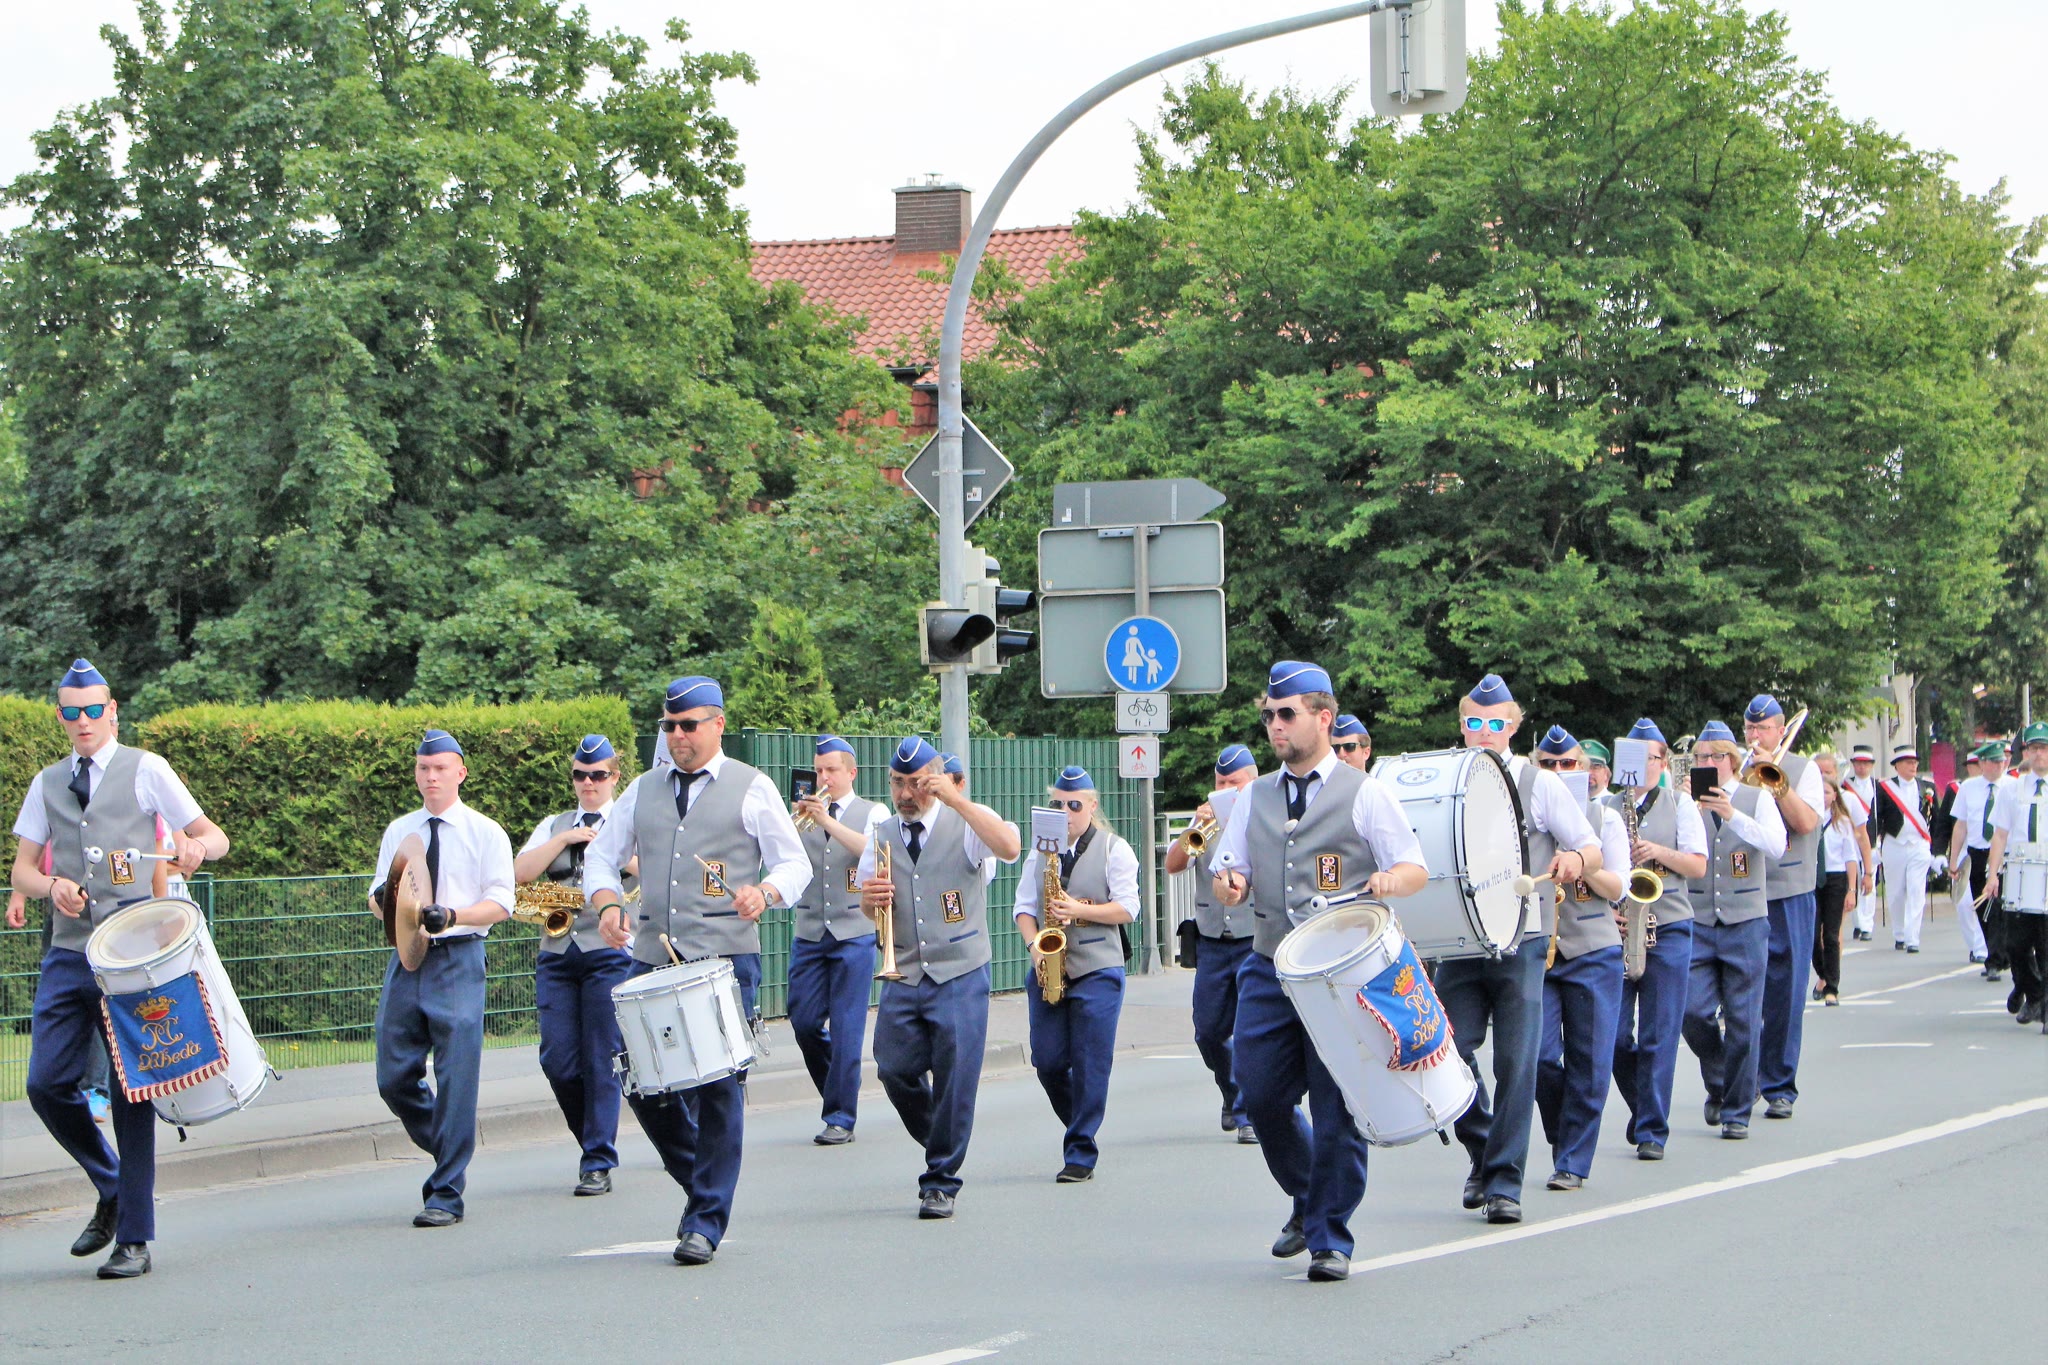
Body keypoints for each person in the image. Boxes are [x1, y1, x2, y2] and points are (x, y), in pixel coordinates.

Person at [11, 659, 230, 1279]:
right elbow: (22, 868)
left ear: (111, 711)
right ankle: (111, 1184)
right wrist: (50, 885)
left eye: (92, 710)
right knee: (46, 1084)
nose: (82, 721)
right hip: (68, 953)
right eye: (70, 711)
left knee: (133, 1092)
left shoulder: (147, 768)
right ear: (61, 716)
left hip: (133, 956)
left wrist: (195, 847)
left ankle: (134, 1237)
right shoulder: (46, 782)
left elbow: (214, 837)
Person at [1210, 660, 1428, 1283]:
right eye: (1269, 716)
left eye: (1287, 714)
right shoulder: (1252, 796)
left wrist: (1391, 880)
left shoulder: (1365, 792)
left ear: (1323, 718)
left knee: (1336, 1108)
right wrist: (1230, 886)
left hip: (1341, 976)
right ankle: (1308, 1197)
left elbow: (1414, 867)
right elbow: (1230, 870)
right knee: (1260, 1093)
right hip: (1270, 965)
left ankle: (1331, 1236)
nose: (1275, 726)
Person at [584, 676, 810, 1265]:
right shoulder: (642, 789)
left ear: (717, 724)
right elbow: (601, 858)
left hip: (724, 957)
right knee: (642, 1083)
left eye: (688, 725)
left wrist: (765, 892)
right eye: (669, 726)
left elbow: (795, 863)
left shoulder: (752, 787)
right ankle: (702, 1185)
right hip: (652, 955)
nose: (677, 736)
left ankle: (706, 1220)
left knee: (718, 1089)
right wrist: (607, 904)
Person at [1435, 674, 1603, 1225]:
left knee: (1516, 1062)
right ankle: (1484, 1147)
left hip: (1522, 937)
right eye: (1474, 722)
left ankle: (1504, 1183)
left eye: (1495, 722)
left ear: (1512, 726)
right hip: (1460, 938)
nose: (1484, 731)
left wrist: (1575, 860)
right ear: (1463, 726)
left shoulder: (1541, 782)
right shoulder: (1447, 776)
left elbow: (1590, 846)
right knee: (1444, 1053)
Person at [857, 737, 1021, 1219]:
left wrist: (956, 800)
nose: (906, 794)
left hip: (960, 970)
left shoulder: (966, 821)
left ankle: (941, 1181)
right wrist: (869, 902)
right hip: (904, 970)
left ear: (935, 780)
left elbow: (1010, 847)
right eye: (897, 783)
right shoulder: (881, 833)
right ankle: (943, 1138)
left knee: (954, 1075)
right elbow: (867, 904)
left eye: (915, 783)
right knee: (893, 1067)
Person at [367, 729, 513, 1229]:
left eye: (441, 768)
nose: (431, 777)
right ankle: (452, 1147)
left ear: (460, 773)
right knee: (393, 1077)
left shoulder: (485, 832)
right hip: (407, 957)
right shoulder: (400, 830)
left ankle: (446, 1192)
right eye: (424, 768)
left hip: (458, 957)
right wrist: (388, 906)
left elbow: (502, 902)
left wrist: (452, 915)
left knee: (456, 1077)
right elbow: (378, 893)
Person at [512, 734, 635, 1196]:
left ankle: (597, 1160)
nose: (588, 783)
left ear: (614, 777)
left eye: (598, 775)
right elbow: (519, 873)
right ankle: (591, 1140)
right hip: (558, 950)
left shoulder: (628, 820)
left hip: (611, 949)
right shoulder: (554, 823)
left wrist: (614, 851)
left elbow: (659, 868)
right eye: (581, 776)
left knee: (601, 1057)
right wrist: (564, 838)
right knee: (558, 1060)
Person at [1014, 766, 1139, 1182]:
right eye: (1058, 805)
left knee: (1090, 1062)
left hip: (1099, 965)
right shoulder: (1039, 852)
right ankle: (1081, 1122)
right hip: (1050, 966)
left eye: (1074, 805)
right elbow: (1024, 908)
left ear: (1091, 806)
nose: (1065, 813)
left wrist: (1079, 910)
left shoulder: (1114, 848)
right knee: (1048, 1061)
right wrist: (1035, 948)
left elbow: (1128, 908)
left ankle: (1081, 1151)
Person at [1529, 728, 1627, 1191]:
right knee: (1540, 1057)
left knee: (1589, 1062)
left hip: (1592, 948)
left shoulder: (1605, 817)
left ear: (1585, 771)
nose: (1557, 772)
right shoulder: (1522, 815)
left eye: (1567, 764)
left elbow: (1619, 887)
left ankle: (1573, 1159)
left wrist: (1582, 862)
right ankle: (1561, 1133)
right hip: (1541, 950)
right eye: (1547, 765)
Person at [1606, 718, 1708, 1161]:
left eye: (1648, 758)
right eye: (1632, 758)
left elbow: (1697, 866)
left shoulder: (1680, 804)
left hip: (1668, 924)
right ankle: (1643, 1105)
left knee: (1659, 1033)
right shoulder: (1608, 806)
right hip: (1620, 926)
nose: (1640, 767)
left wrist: (1658, 852)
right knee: (1613, 1036)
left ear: (1662, 762)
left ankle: (1652, 1130)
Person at [1680, 723, 1787, 1139]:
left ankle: (1737, 1111)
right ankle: (1722, 1079)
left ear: (1732, 760)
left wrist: (1732, 815)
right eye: (1700, 757)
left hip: (1745, 921)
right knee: (1691, 1010)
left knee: (1743, 1019)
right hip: (1700, 918)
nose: (1707, 763)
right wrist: (1685, 806)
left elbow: (1776, 845)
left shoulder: (1757, 797)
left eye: (1715, 757)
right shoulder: (1687, 800)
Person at [787, 734, 886, 1146]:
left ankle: (841, 1116)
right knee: (804, 1021)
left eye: (831, 770)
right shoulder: (800, 814)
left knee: (847, 1027)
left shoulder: (872, 812)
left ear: (851, 773)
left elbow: (875, 852)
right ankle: (838, 1089)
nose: (823, 778)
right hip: (810, 930)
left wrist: (827, 820)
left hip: (854, 932)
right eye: (818, 771)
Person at [1163, 745, 1260, 1142]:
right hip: (1212, 940)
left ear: (1251, 782)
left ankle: (1248, 1114)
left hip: (1255, 936)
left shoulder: (1264, 817)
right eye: (1220, 783)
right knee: (1207, 1031)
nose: (1225, 790)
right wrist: (1195, 828)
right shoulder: (1205, 823)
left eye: (1233, 783)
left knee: (1250, 1029)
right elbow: (1173, 865)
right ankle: (1231, 1090)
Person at [1743, 695, 1824, 1123]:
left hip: (1789, 891)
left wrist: (1773, 777)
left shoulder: (1803, 769)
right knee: (1741, 993)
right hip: (1744, 891)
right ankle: (1743, 1078)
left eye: (1763, 729)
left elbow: (1806, 823)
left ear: (1780, 731)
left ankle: (1778, 1085)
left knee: (1786, 993)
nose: (1755, 736)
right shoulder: (1736, 767)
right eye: (1749, 729)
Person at [1983, 721, 2048, 1025]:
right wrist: (1992, 875)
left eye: (2044, 748)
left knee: (2046, 946)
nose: (2039, 754)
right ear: (2026, 752)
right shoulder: (2012, 788)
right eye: (2034, 748)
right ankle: (2033, 994)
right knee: (2016, 945)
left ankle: (2043, 1005)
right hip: (2021, 874)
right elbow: (2000, 835)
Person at [1948, 741, 2012, 981]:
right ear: (1982, 763)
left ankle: (1994, 959)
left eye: (2002, 761)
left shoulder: (2012, 786)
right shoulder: (1968, 787)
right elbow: (1961, 825)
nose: (2000, 765)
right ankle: (1998, 954)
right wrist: (1954, 859)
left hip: (2004, 854)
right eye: (1994, 761)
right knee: (1982, 907)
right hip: (1977, 853)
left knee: (1998, 907)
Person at [1810, 777, 1873, 1006]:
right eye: (1819, 792)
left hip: (1836, 879)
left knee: (1831, 934)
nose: (1823, 796)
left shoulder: (1843, 822)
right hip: (1813, 878)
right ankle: (1824, 973)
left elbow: (1850, 857)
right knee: (1812, 935)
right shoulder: (1809, 818)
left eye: (1827, 792)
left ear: (1835, 795)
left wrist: (1851, 889)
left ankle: (1832, 988)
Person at [1873, 745, 1937, 953]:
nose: (1913, 766)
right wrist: (1874, 845)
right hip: (1894, 843)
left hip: (1919, 844)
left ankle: (1912, 938)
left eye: (1915, 762)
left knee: (1916, 890)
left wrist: (1937, 851)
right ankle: (1899, 933)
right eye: (1909, 762)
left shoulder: (1927, 787)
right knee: (1896, 892)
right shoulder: (1885, 788)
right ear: (1898, 765)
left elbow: (1936, 819)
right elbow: (1876, 818)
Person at [1844, 746, 1881, 940]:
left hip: (1870, 841)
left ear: (1871, 765)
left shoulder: (1879, 787)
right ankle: (1858, 922)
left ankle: (1867, 924)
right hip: (1849, 839)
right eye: (1858, 763)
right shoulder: (1844, 786)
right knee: (1853, 881)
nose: (1862, 767)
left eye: (1866, 764)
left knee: (1869, 881)